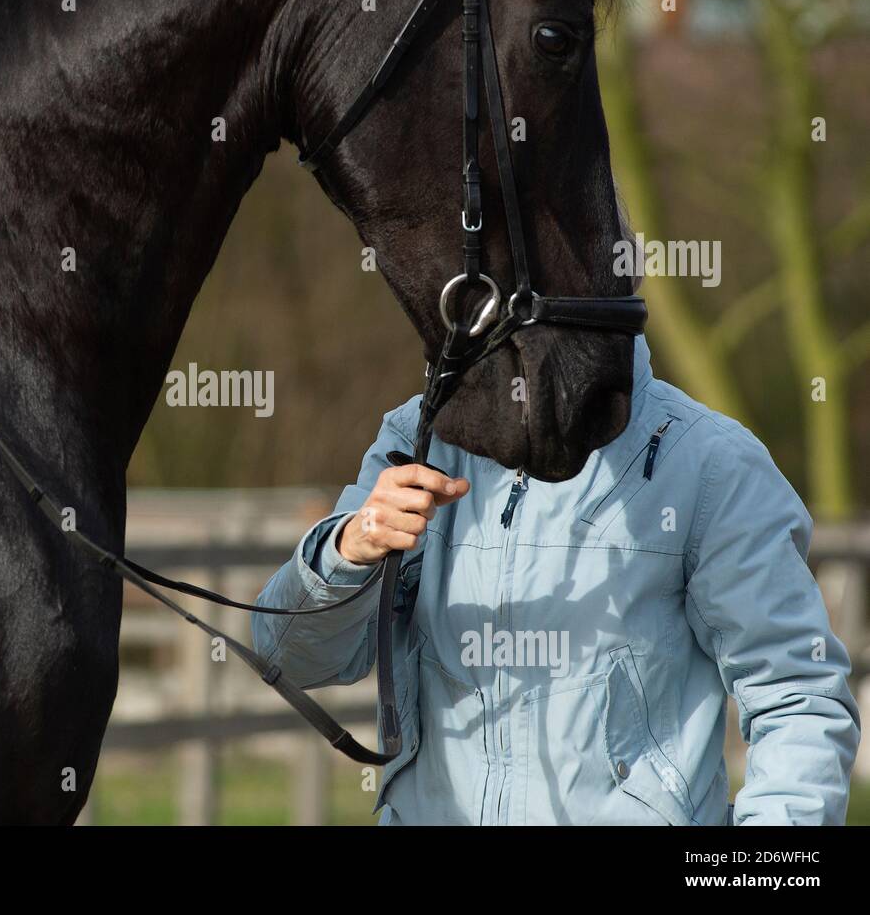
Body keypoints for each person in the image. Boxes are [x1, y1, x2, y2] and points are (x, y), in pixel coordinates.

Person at [253, 335, 860, 825]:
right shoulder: (421, 437)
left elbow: (799, 695)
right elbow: (291, 657)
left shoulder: (712, 463)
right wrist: (348, 550)